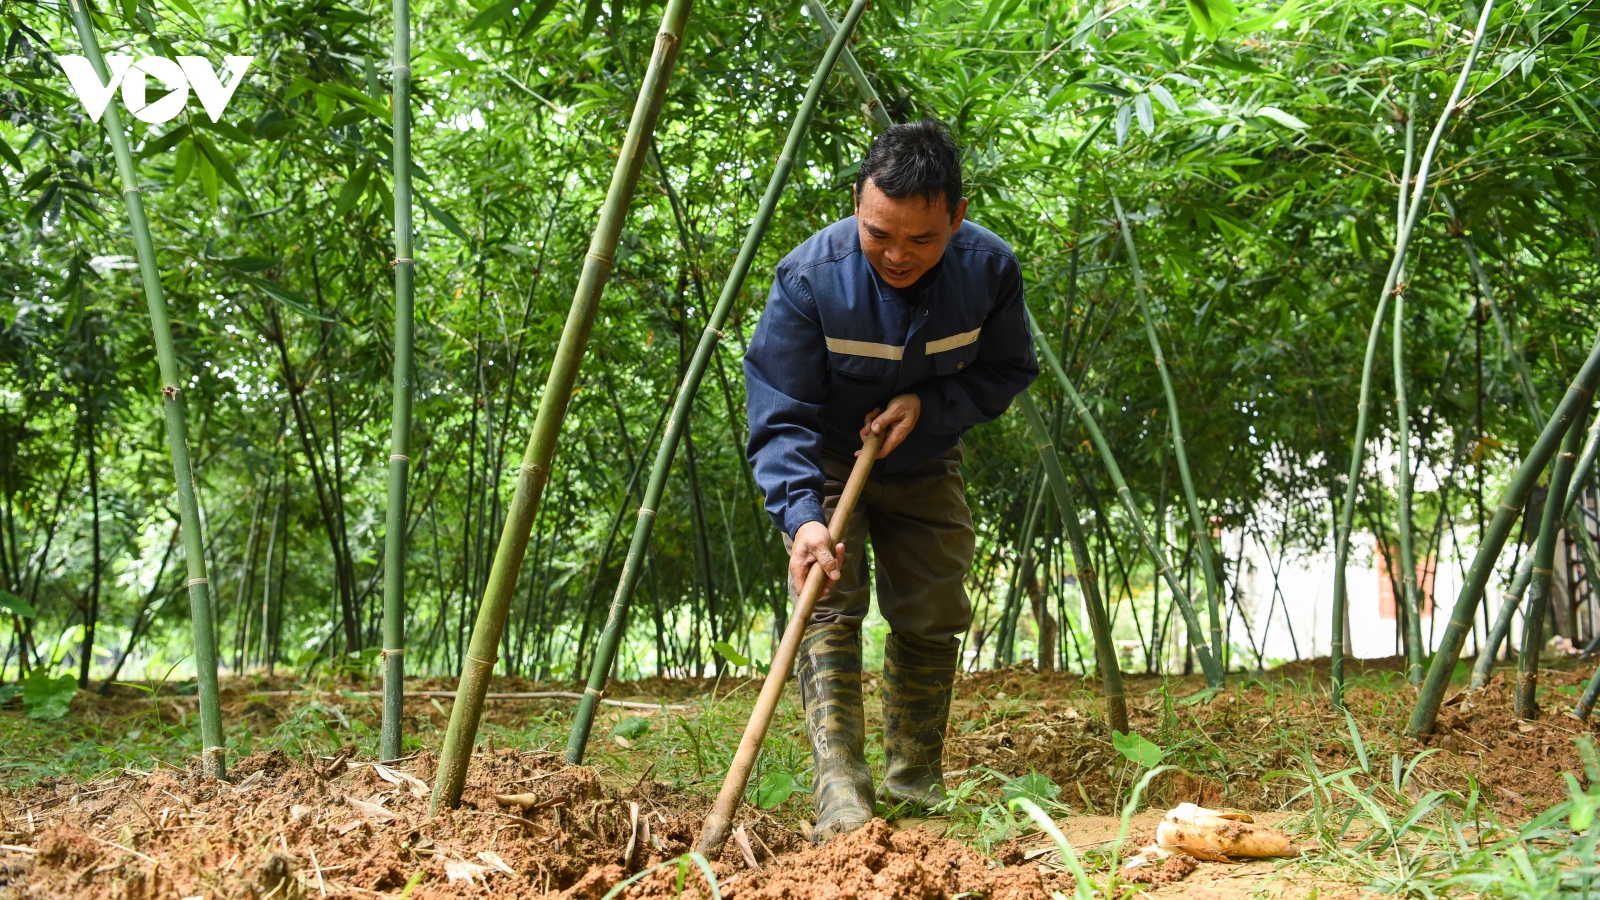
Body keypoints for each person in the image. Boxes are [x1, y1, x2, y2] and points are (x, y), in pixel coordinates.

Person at [743, 119, 1038, 842]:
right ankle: (840, 793)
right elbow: (780, 414)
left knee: (935, 605)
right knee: (827, 603)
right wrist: (803, 517)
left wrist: (928, 404)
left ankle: (915, 785)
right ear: (857, 204)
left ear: (958, 218)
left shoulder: (990, 271)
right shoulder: (811, 277)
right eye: (879, 234)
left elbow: (1006, 369)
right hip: (826, 466)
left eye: (921, 240)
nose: (897, 255)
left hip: (925, 454)